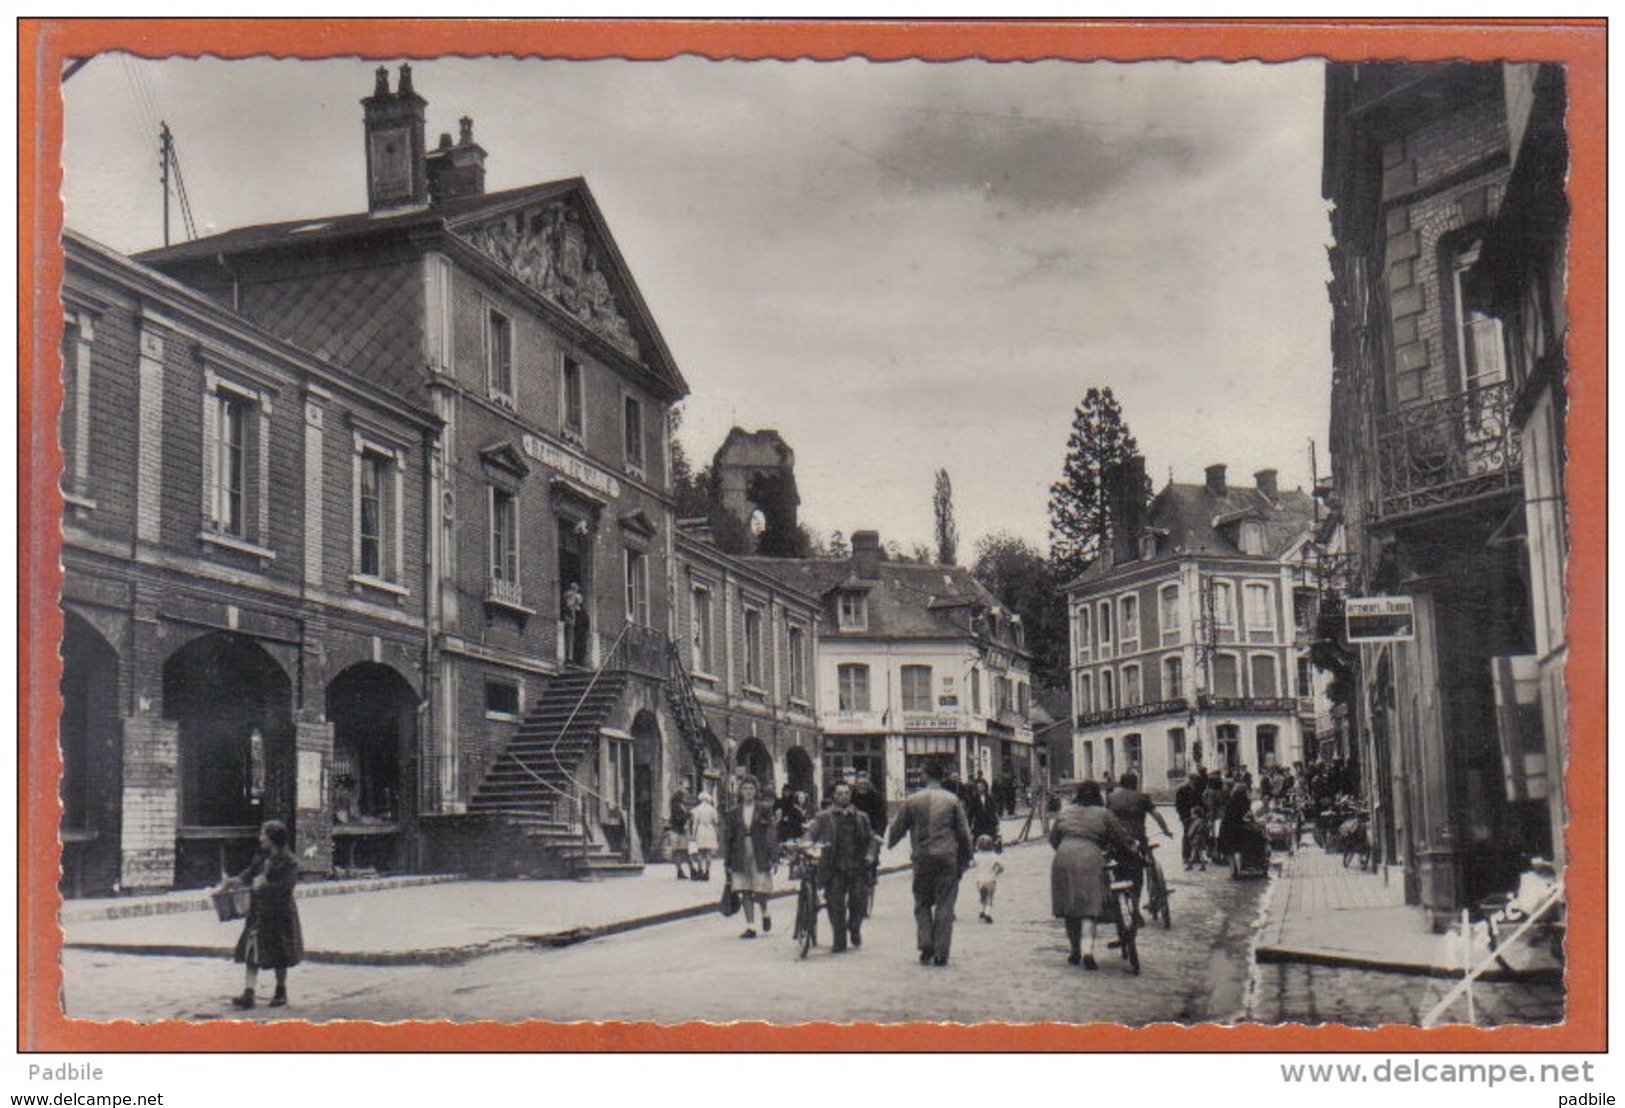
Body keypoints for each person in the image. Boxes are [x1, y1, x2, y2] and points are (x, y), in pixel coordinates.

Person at [885, 760, 973, 967]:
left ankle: (926, 946)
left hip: (922, 858)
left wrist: (889, 843)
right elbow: (964, 833)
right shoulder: (952, 800)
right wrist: (966, 857)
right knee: (945, 903)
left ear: (925, 775)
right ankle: (941, 952)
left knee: (922, 902)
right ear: (942, 777)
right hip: (946, 858)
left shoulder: (913, 800)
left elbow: (898, 828)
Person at [1050, 780, 1137, 971]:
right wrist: (1132, 848)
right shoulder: (1103, 813)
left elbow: (1053, 838)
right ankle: (1087, 951)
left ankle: (1074, 950)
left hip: (1063, 856)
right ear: (1098, 795)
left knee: (1069, 906)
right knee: (1088, 907)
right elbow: (1121, 836)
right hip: (1090, 856)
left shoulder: (1065, 811)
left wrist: (1064, 850)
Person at [227, 820, 303, 1009]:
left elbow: (286, 888)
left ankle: (280, 990)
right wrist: (235, 881)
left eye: (264, 835)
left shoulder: (289, 862)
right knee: (251, 951)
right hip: (259, 912)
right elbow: (249, 874)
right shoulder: (260, 858)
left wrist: (265, 885)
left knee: (280, 953)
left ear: (273, 839)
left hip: (279, 913)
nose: (260, 838)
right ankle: (249, 992)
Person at [806, 781, 875, 953]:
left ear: (850, 795)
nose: (843, 796)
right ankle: (839, 940)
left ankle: (854, 927)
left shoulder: (861, 817)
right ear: (834, 796)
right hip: (834, 867)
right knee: (835, 905)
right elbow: (811, 834)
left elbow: (871, 839)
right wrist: (806, 844)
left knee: (859, 903)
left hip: (857, 866)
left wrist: (870, 854)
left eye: (846, 793)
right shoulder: (824, 817)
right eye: (840, 793)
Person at [1107, 771, 1174, 918]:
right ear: (1135, 784)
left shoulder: (1111, 798)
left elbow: (1105, 818)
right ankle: (1136, 907)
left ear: (1121, 783)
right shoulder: (1142, 797)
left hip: (1116, 841)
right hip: (1137, 840)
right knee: (1138, 872)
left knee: (1118, 868)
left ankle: (1119, 899)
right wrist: (1166, 830)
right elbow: (1156, 815)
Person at [720, 775, 778, 938]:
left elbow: (771, 833)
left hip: (758, 850)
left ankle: (765, 911)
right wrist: (727, 861)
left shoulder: (764, 809)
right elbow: (728, 837)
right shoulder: (733, 812)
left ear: (756, 790)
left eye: (751, 789)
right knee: (745, 889)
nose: (748, 792)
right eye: (745, 789)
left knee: (760, 889)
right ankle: (751, 926)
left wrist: (774, 855)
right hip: (740, 851)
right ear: (740, 791)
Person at [1175, 769, 1204, 868]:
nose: (1196, 782)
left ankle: (1196, 857)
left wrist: (1200, 812)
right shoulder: (1182, 790)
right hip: (1187, 816)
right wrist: (1184, 815)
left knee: (1197, 836)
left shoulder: (1198, 790)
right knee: (1187, 835)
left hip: (1197, 816)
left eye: (1197, 780)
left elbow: (1201, 802)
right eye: (1195, 780)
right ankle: (1186, 856)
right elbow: (1179, 805)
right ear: (1190, 780)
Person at [687, 791, 719, 881]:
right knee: (708, 852)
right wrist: (716, 832)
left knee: (700, 852)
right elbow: (716, 821)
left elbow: (695, 823)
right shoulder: (712, 809)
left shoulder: (697, 809)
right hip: (709, 829)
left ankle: (700, 870)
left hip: (700, 829)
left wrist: (693, 835)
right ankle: (707, 872)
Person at [973, 835, 1004, 924]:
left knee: (982, 897)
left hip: (979, 880)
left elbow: (972, 864)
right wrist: (996, 873)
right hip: (991, 879)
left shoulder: (976, 856)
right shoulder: (994, 856)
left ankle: (982, 911)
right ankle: (987, 913)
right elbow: (1001, 868)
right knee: (990, 898)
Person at [967, 777, 1001, 846]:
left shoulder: (990, 797)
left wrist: (997, 824)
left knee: (992, 843)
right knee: (978, 844)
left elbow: (994, 812)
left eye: (982, 786)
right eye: (978, 787)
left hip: (990, 825)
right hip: (979, 825)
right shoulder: (974, 799)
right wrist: (969, 827)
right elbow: (970, 814)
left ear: (985, 787)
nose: (980, 788)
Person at [667, 789, 693, 880]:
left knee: (680, 851)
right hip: (678, 831)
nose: (686, 798)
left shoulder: (681, 806)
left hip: (679, 831)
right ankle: (685, 870)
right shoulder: (676, 806)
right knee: (681, 851)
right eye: (685, 796)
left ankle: (684, 870)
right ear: (680, 797)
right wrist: (687, 816)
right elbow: (678, 818)